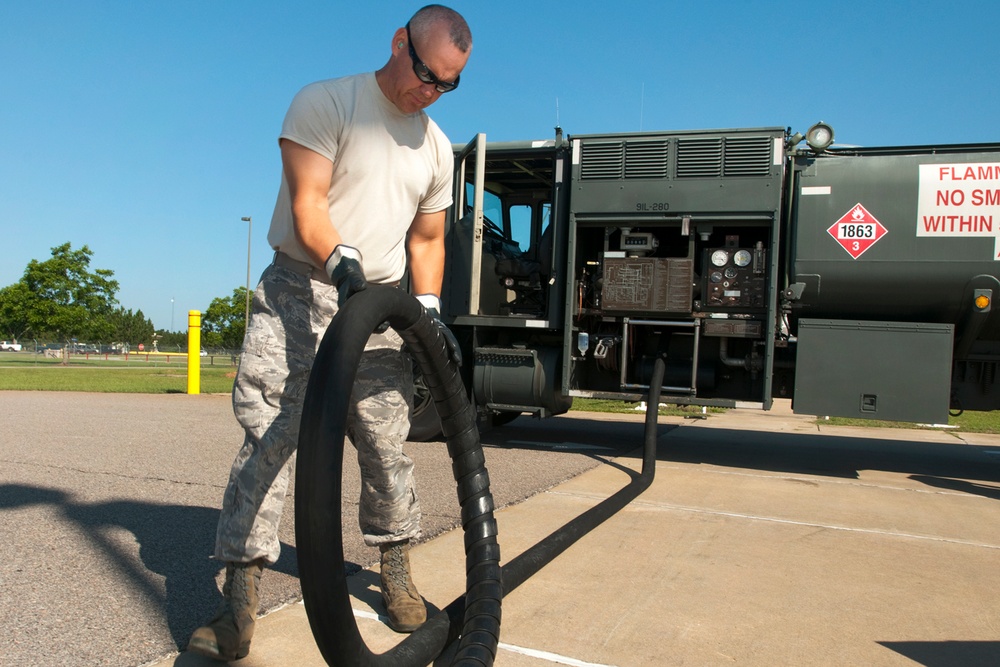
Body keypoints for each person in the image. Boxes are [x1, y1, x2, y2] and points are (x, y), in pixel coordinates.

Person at [188, 5, 472, 661]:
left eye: (447, 83)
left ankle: (396, 571)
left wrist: (427, 307)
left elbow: (428, 237)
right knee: (269, 439)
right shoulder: (327, 102)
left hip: (377, 307)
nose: (428, 89)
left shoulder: (434, 145)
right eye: (424, 72)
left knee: (385, 444)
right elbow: (308, 200)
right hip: (300, 290)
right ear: (399, 42)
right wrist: (339, 259)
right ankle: (238, 605)